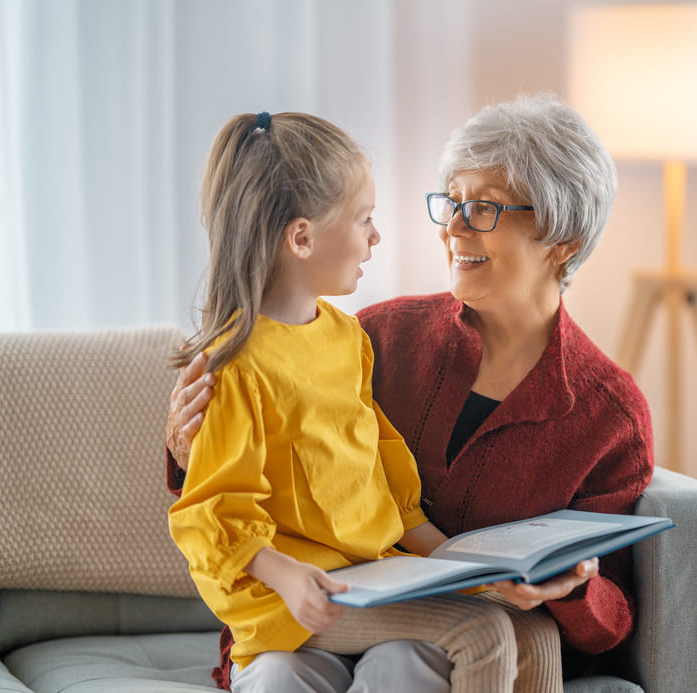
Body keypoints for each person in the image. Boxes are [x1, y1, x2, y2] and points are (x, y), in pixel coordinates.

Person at [167, 94, 654, 689]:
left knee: (420, 658)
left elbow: (613, 619)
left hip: (436, 618)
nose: (452, 227)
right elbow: (238, 474)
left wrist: (572, 589)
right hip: (316, 609)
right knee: (294, 674)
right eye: (452, 202)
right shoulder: (382, 333)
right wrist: (183, 444)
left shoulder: (609, 415)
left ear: (563, 241)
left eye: (484, 209)